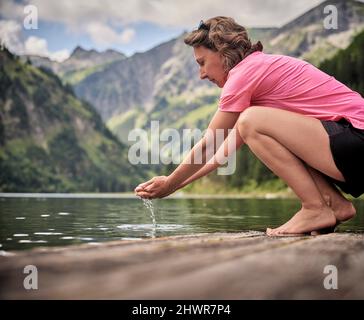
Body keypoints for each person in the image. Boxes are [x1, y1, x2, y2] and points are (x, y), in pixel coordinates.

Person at [135, 16, 364, 236]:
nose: (201, 74)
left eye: (202, 63)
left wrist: (169, 183)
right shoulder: (257, 73)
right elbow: (219, 153)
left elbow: (209, 145)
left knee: (250, 120)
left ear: (222, 52)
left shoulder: (243, 75)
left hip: (356, 139)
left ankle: (315, 208)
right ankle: (333, 205)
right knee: (250, 121)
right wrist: (173, 186)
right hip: (350, 145)